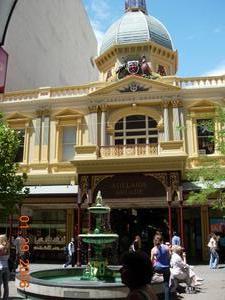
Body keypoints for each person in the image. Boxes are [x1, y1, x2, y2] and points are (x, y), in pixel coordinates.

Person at [151, 234, 171, 300]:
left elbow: (151, 261)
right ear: (162, 241)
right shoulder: (167, 247)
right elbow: (169, 257)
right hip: (166, 268)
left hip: (157, 268)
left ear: (154, 241)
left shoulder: (153, 249)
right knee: (166, 285)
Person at [0, 234, 10, 299]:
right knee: (6, 285)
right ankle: (5, 297)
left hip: (0, 267)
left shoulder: (0, 247)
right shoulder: (7, 247)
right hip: (6, 267)